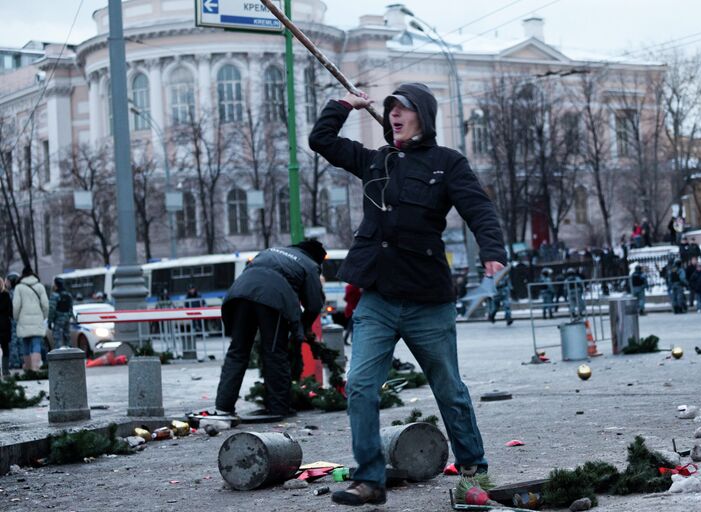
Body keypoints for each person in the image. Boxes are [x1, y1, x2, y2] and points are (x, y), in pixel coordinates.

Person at [309, 82, 507, 506]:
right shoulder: (376, 161)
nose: (394, 114)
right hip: (378, 297)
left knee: (449, 388)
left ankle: (474, 469)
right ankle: (369, 480)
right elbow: (320, 140)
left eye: (404, 108)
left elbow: (479, 210)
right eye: (391, 108)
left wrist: (493, 251)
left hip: (427, 301)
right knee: (360, 385)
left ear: (424, 116)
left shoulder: (447, 163)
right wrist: (345, 104)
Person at [214, 240, 326, 421]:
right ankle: (279, 407)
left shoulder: (269, 252)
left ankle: (223, 407)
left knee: (237, 351)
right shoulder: (310, 264)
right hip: (274, 298)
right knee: (274, 352)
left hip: (239, 293)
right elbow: (314, 304)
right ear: (317, 258)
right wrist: (303, 328)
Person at [12, 266, 48, 371]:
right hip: (37, 318)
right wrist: (44, 316)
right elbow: (45, 305)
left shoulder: (19, 288)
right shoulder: (40, 286)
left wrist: (16, 317)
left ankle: (27, 368)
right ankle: (36, 367)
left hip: (23, 319)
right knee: (36, 343)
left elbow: (16, 305)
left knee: (26, 343)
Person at [48, 277, 74, 349]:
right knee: (67, 337)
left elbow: (51, 309)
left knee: (57, 338)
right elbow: (71, 308)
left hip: (58, 319)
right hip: (67, 319)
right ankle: (70, 353)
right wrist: (69, 317)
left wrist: (49, 321)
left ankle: (59, 355)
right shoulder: (68, 294)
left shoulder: (55, 295)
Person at [0, 278, 11, 377]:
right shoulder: (6, 295)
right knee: (5, 348)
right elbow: (10, 311)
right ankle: (5, 370)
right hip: (4, 325)